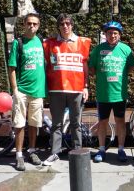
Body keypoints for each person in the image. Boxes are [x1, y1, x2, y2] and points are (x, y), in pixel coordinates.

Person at [42, 13, 91, 166]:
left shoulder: (82, 42)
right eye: (62, 23)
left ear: (72, 25)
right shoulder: (49, 44)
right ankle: (55, 153)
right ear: (58, 26)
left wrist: (86, 86)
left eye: (68, 23)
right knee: (57, 124)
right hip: (56, 90)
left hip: (76, 90)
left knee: (76, 123)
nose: (65, 26)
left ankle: (77, 152)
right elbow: (44, 65)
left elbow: (85, 67)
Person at [88, 21, 134, 163]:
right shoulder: (98, 49)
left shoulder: (126, 49)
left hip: (119, 94)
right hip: (103, 94)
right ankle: (101, 149)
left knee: (120, 121)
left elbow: (131, 67)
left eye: (115, 33)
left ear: (119, 35)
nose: (112, 35)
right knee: (102, 122)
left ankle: (121, 149)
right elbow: (91, 68)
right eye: (109, 33)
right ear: (105, 34)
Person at [7, 13, 46, 171]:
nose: (32, 26)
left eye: (35, 24)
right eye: (29, 23)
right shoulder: (19, 42)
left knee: (34, 124)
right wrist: (15, 89)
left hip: (37, 92)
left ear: (38, 26)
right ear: (24, 24)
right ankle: (19, 155)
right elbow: (12, 68)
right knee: (19, 124)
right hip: (22, 91)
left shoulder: (41, 42)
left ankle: (31, 151)